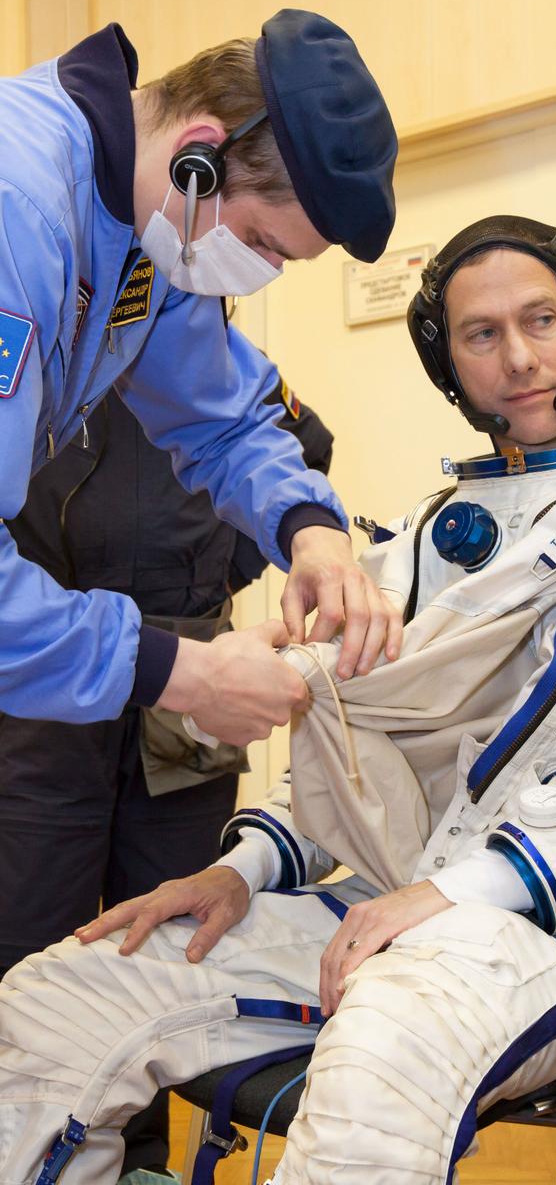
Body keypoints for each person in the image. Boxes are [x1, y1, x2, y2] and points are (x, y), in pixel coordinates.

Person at [0, 217, 556, 1185]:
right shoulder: (426, 540)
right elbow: (352, 754)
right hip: (401, 903)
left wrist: (458, 893)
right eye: (480, 335)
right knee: (59, 993)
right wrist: (242, 871)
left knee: (388, 1042)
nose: (517, 357)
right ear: (450, 367)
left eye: (540, 319)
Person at [0, 8, 401, 752]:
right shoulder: (17, 208)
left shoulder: (153, 232)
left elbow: (221, 418)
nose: (256, 273)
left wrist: (310, 532)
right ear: (199, 156)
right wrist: (182, 674)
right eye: (257, 242)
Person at [0, 372, 333, 1184]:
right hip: (59, 668)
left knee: (168, 929)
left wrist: (219, 573)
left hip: (191, 669)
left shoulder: (196, 367)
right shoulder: (43, 363)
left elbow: (301, 446)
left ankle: (138, 1158)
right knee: (33, 919)